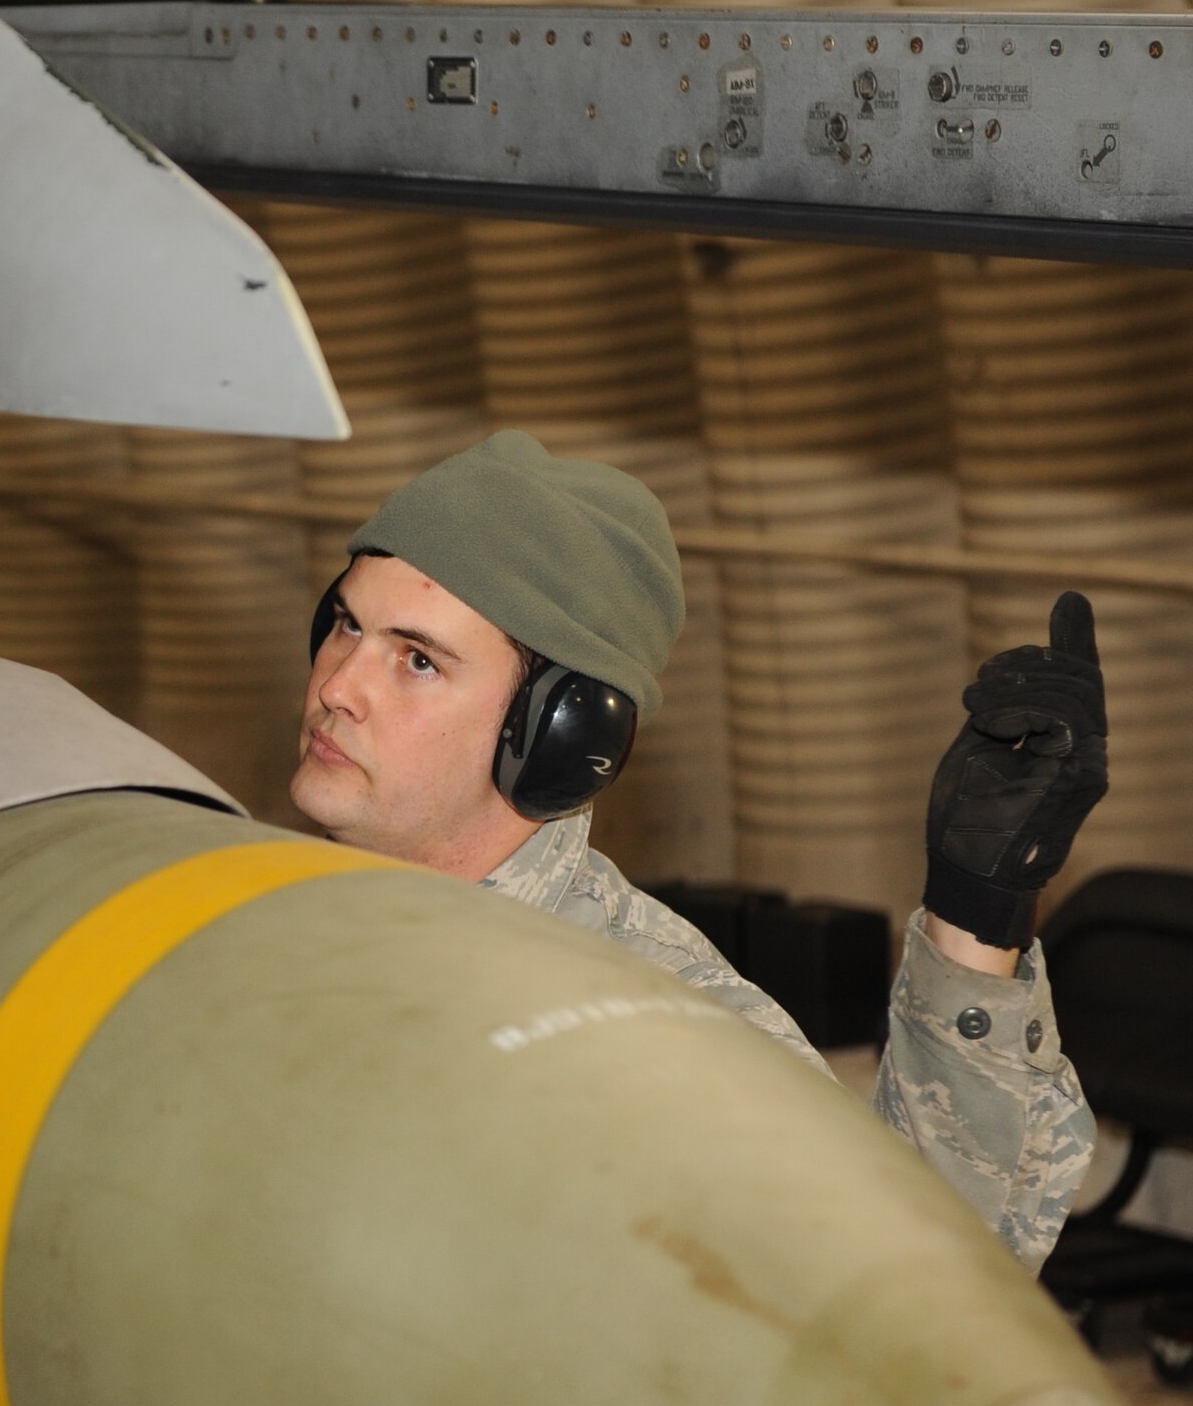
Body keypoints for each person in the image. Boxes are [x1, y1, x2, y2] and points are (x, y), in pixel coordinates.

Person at [291, 430, 1108, 1273]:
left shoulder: (661, 1026)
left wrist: (976, 916)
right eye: (347, 626)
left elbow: (898, 1300)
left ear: (558, 737)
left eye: (418, 660)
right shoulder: (249, 905)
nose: (337, 687)